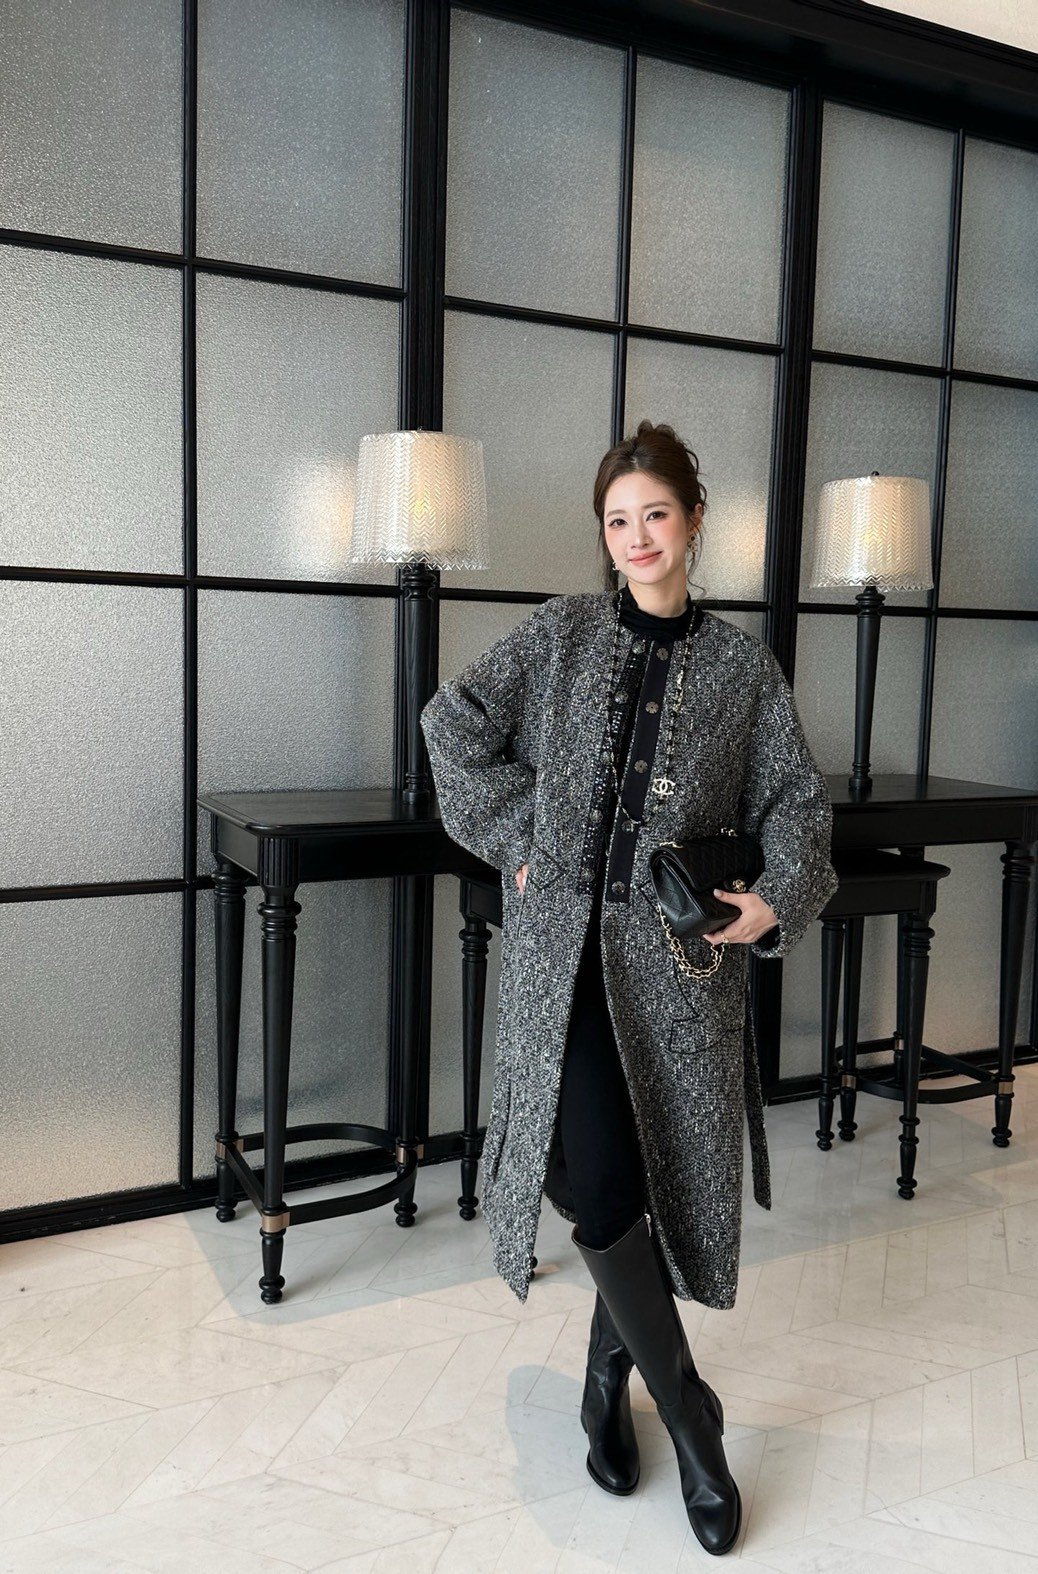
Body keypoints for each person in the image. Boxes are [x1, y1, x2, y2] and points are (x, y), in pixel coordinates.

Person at [420, 421, 839, 1556]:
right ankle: (692, 1412)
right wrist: (520, 835)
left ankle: (611, 1376)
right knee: (592, 1180)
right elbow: (451, 725)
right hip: (560, 963)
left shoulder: (745, 671)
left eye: (655, 514)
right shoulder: (561, 633)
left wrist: (773, 900)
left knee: (640, 1177)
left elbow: (797, 804)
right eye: (617, 520)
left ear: (693, 521)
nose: (637, 537)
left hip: (676, 974)